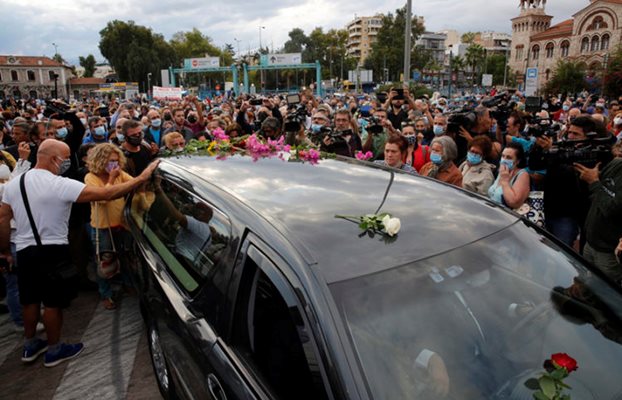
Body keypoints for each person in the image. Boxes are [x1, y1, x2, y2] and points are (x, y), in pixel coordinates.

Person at [0, 139, 158, 367]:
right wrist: (143, 178)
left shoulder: (15, 183)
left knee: (30, 300)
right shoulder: (59, 184)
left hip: (24, 250)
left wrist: (5, 250)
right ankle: (54, 349)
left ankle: (30, 344)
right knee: (53, 303)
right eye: (64, 159)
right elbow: (108, 194)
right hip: (52, 249)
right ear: (54, 159)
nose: (65, 163)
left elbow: (3, 217)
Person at [85, 143, 136, 310]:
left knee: (126, 256)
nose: (114, 165)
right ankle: (105, 293)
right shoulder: (90, 178)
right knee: (104, 261)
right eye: (109, 161)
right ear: (100, 161)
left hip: (122, 223)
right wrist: (112, 179)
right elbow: (102, 198)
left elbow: (133, 184)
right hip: (102, 227)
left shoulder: (120, 173)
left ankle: (128, 284)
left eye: (116, 161)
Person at [576, 157, 622, 284]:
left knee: (607, 295)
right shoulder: (616, 163)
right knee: (586, 286)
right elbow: (591, 195)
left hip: (608, 251)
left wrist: (594, 182)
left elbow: (611, 209)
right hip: (590, 242)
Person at [488, 142, 530, 209]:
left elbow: (514, 202)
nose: (504, 160)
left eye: (509, 157)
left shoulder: (523, 175)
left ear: (518, 161)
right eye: (503, 156)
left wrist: (505, 181)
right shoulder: (502, 171)